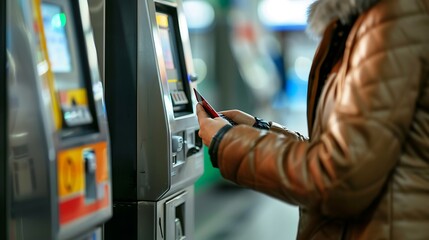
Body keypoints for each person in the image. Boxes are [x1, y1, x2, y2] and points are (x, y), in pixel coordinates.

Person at [196, 0, 429, 239]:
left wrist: (227, 141)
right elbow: (345, 151)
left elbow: (341, 178)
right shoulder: (356, 20)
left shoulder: (392, 17)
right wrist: (259, 130)